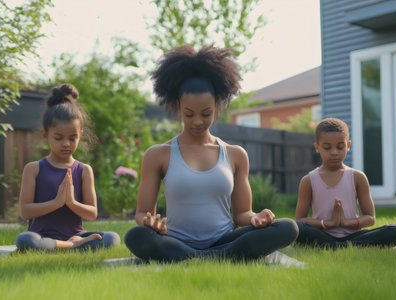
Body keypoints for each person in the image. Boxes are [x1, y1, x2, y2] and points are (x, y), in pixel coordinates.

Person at [124, 45, 298, 262]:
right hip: (176, 241)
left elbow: (242, 214)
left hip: (225, 239)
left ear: (217, 106)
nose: (198, 121)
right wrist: (149, 223)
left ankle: (194, 259)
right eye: (189, 114)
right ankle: (220, 258)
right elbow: (141, 214)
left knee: (287, 227)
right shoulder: (158, 154)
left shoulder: (235, 155)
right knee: (136, 236)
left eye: (206, 113)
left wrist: (257, 218)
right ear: (178, 106)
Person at [15, 84, 120, 251]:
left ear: (80, 136)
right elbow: (25, 212)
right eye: (58, 138)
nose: (66, 143)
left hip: (76, 234)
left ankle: (72, 243)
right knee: (26, 240)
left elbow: (92, 213)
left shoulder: (84, 170)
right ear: (45, 135)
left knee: (113, 238)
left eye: (72, 138)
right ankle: (72, 246)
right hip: (41, 236)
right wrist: (57, 202)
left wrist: (70, 202)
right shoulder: (33, 169)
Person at [295, 118, 396, 248]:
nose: (334, 152)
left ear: (348, 146)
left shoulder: (357, 177)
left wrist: (346, 223)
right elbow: (300, 220)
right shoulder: (308, 180)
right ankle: (348, 246)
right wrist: (327, 223)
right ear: (317, 147)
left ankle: (336, 246)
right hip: (322, 234)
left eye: (340, 147)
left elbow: (370, 217)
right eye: (327, 147)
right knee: (297, 228)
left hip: (353, 235)